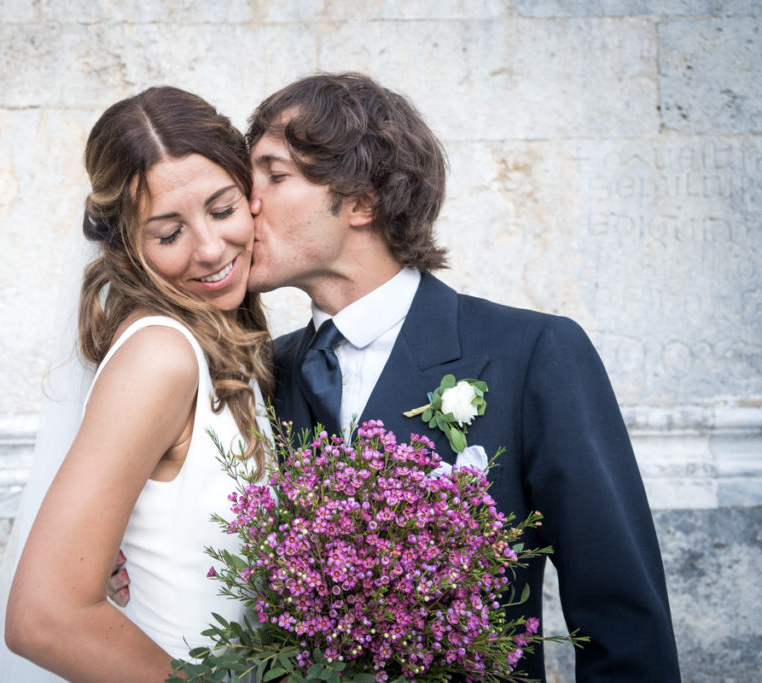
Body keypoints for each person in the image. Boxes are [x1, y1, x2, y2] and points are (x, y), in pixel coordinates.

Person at [244, 72, 682, 680]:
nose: (247, 201)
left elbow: (623, 624)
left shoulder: (533, 353)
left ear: (362, 200)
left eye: (274, 173)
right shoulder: (257, 372)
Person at [0, 86, 273, 682]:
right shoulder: (162, 356)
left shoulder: (216, 347)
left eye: (222, 209)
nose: (210, 249)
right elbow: (43, 618)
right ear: (128, 246)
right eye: (168, 234)